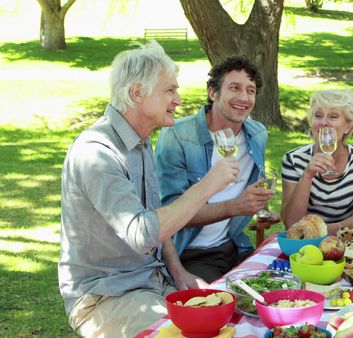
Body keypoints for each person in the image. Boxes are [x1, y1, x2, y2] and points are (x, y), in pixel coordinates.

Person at [58, 41, 239, 337]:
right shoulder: (97, 153)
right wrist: (208, 185)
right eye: (169, 90)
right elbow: (143, 234)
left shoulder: (141, 143)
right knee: (182, 333)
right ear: (136, 94)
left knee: (223, 320)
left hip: (152, 281)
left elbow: (154, 216)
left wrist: (179, 272)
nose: (178, 100)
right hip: (104, 295)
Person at [155, 57, 275, 283]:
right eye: (234, 88)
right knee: (225, 308)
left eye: (250, 90)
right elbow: (169, 214)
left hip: (234, 245)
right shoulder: (177, 137)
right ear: (213, 93)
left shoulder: (257, 133)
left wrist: (262, 207)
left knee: (279, 288)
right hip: (191, 255)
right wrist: (235, 207)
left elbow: (254, 180)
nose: (244, 98)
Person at [281, 89, 353, 235]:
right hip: (306, 242)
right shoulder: (293, 159)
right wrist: (307, 175)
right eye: (318, 116)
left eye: (333, 116)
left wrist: (325, 230)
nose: (324, 122)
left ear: (348, 126)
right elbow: (291, 223)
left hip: (345, 240)